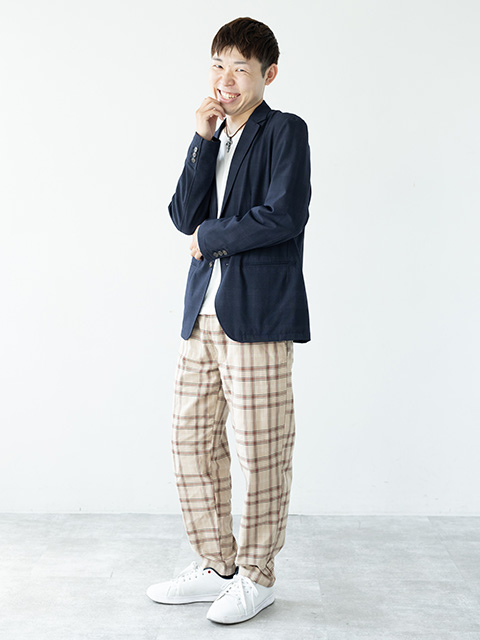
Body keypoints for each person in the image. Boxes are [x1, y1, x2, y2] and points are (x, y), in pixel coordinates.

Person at [146, 16, 311, 625]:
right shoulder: (213, 136)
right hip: (203, 313)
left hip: (258, 313)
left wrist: (211, 237)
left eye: (241, 68)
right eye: (218, 66)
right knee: (190, 441)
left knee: (261, 449)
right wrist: (201, 139)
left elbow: (284, 215)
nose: (226, 79)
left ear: (268, 75)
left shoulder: (284, 130)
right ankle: (217, 565)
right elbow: (181, 215)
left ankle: (257, 575)